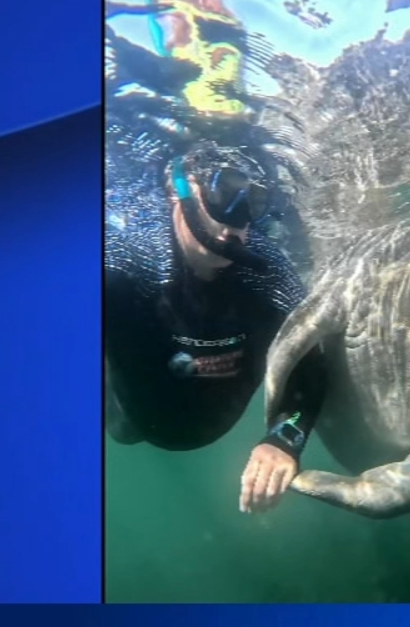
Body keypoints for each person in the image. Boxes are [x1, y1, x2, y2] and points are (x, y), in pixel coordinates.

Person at [103, 138, 327, 515]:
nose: (234, 225)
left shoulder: (269, 276)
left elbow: (312, 367)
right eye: (222, 194)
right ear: (178, 190)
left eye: (253, 203)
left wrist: (284, 439)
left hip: (210, 425)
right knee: (121, 432)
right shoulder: (128, 262)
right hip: (126, 417)